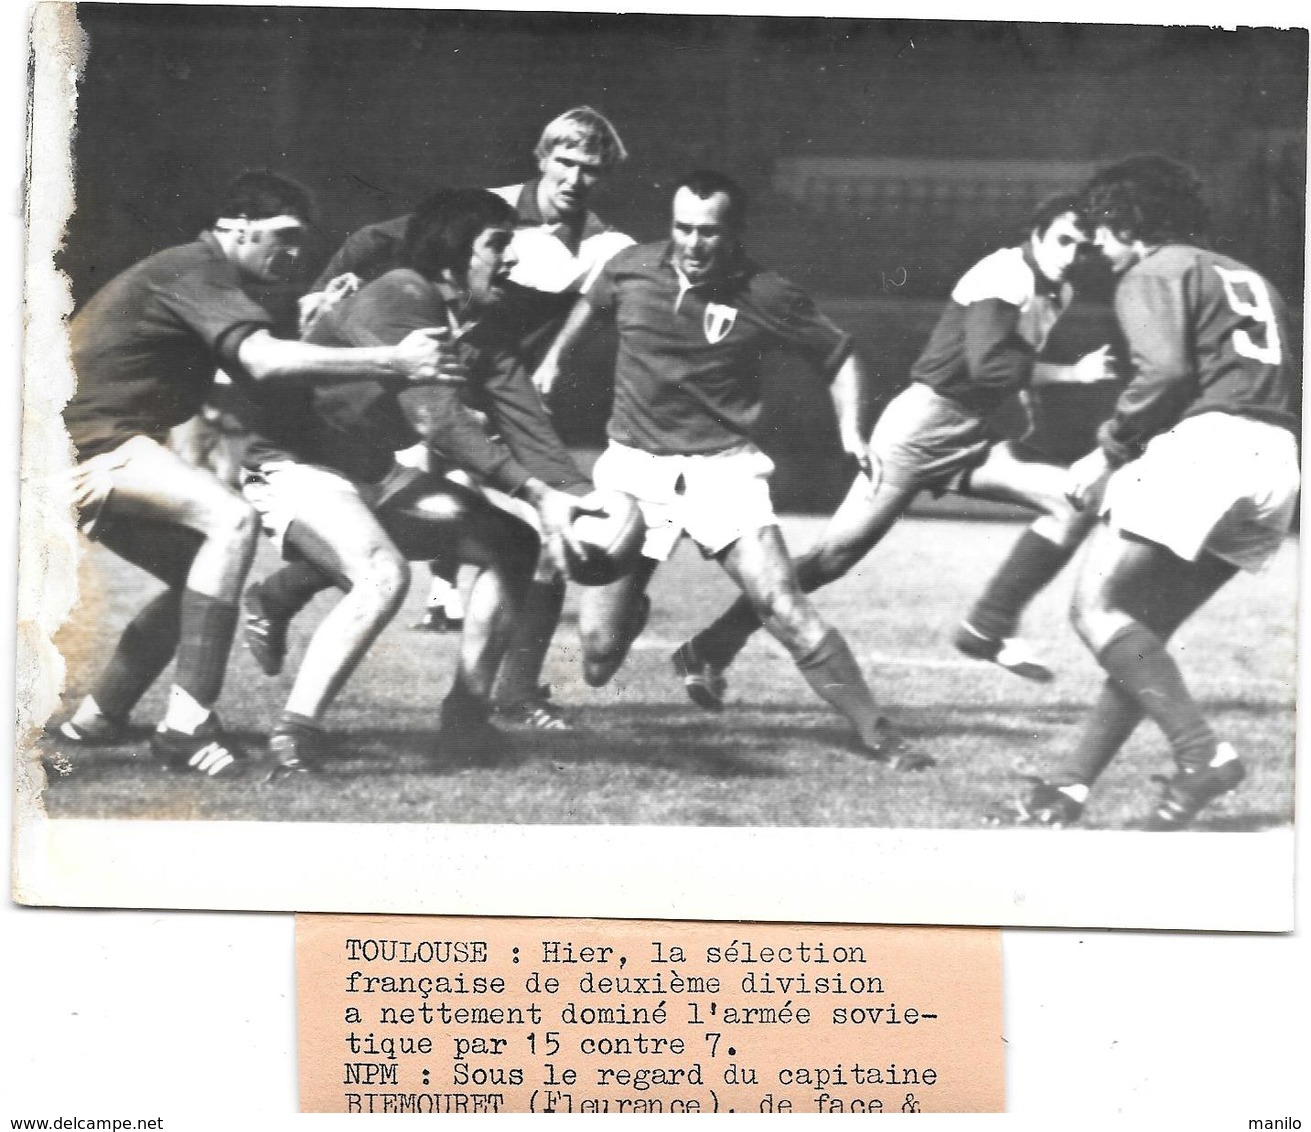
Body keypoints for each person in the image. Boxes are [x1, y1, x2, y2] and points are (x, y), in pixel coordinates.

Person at [53, 171, 454, 775]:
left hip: (66, 445)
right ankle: (186, 727)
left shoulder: (201, 280)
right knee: (231, 518)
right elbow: (263, 361)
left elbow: (271, 376)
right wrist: (391, 357)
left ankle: (99, 716)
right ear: (233, 227)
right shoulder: (198, 269)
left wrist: (322, 319)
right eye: (283, 235)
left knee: (196, 575)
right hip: (71, 448)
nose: (294, 252)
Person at [532, 170, 929, 769]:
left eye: (708, 232)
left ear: (733, 232)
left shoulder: (769, 294)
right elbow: (591, 304)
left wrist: (851, 429)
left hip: (724, 470)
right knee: (595, 660)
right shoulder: (630, 268)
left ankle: (879, 734)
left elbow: (840, 355)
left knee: (782, 602)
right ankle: (629, 607)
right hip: (633, 473)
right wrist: (554, 361)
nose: (693, 243)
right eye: (683, 228)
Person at [675, 193, 1092, 706]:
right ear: (1037, 233)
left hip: (971, 434)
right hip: (920, 432)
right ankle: (709, 648)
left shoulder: (1059, 290)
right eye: (1064, 240)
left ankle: (989, 624)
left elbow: (1008, 370)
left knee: (1073, 501)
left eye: (1084, 246)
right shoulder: (1006, 275)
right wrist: (1073, 374)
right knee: (833, 557)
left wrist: (1027, 418)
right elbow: (989, 367)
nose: (1072, 254)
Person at [290, 106, 632, 730]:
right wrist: (322, 296)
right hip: (355, 415)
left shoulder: (606, 248)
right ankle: (283, 715)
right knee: (388, 551)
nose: (577, 178)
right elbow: (376, 242)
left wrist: (575, 494)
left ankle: (493, 702)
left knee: (507, 533)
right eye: (567, 161)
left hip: (458, 374)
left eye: (593, 169)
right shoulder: (471, 222)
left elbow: (557, 353)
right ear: (541, 158)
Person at [990, 155, 1300, 830]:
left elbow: (1162, 373)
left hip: (1210, 449)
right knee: (1141, 638)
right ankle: (1069, 788)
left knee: (1094, 609)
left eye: (1100, 228)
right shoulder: (1250, 277)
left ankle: (1204, 755)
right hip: (1277, 463)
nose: (1095, 246)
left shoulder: (1153, 269)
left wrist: (1106, 449)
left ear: (1129, 221)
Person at [239, 188, 591, 776]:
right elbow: (439, 419)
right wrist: (534, 493)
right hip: (291, 465)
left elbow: (523, 415)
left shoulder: (481, 319)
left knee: (512, 542)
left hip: (368, 472)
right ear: (454, 249)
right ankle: (295, 733)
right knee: (382, 574)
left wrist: (575, 496)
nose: (508, 259)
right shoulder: (401, 292)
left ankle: (466, 719)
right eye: (496, 244)